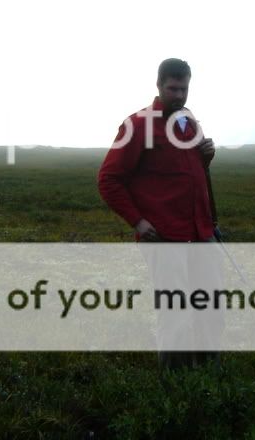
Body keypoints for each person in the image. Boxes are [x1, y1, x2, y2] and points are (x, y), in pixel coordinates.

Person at [97, 58, 224, 370]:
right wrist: (138, 221)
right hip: (164, 234)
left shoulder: (188, 123)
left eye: (184, 88)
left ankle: (208, 369)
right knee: (176, 309)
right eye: (172, 88)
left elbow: (187, 173)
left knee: (211, 304)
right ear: (158, 86)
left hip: (200, 231)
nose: (179, 95)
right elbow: (108, 179)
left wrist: (205, 158)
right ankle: (177, 379)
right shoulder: (137, 125)